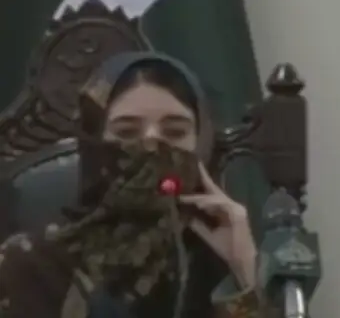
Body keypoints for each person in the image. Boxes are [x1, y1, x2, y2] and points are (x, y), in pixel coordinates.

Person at [0, 52, 266, 317]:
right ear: (94, 144)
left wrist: (245, 271)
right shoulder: (36, 265)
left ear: (202, 144)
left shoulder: (218, 257)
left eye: (174, 132)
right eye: (126, 132)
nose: (151, 145)